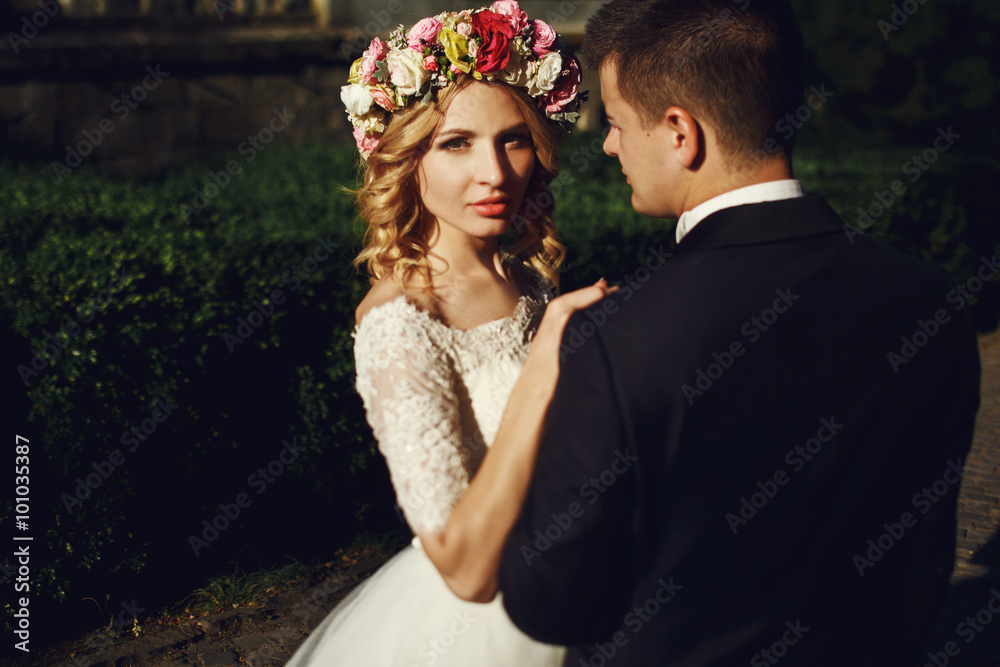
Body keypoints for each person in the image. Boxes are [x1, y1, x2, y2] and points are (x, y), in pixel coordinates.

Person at [498, 1, 982, 665]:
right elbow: (922, 565)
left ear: (679, 132)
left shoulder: (614, 339)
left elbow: (549, 600)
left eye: (614, 123)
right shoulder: (931, 301)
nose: (608, 145)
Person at [286, 3, 604, 665]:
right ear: (409, 157)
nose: (494, 171)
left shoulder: (528, 281)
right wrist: (546, 366)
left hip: (574, 579)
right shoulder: (401, 322)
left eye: (513, 138)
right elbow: (459, 562)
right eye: (457, 143)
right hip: (481, 624)